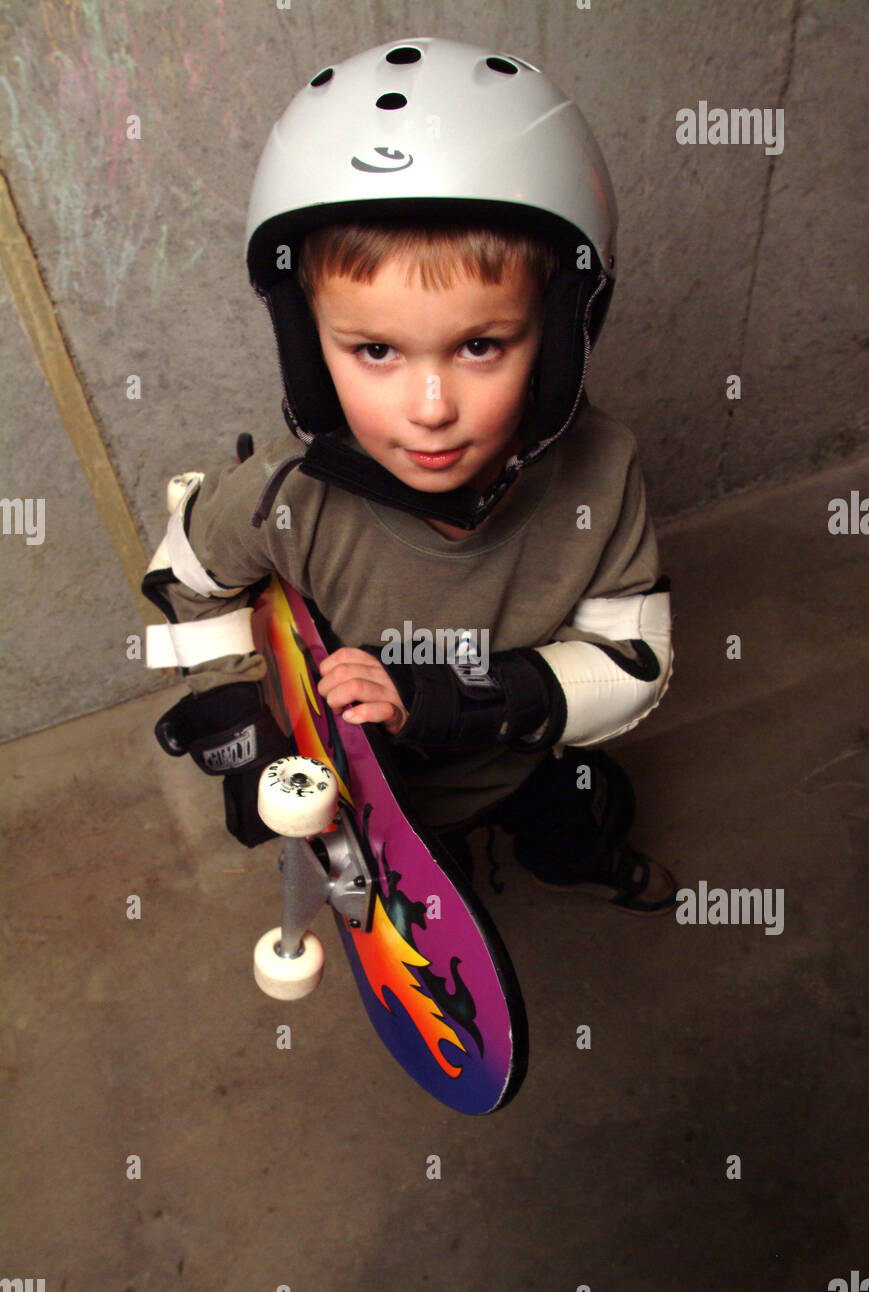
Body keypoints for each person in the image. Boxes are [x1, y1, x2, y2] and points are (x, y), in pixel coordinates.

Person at [143, 36, 676, 915]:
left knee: (576, 824)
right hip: (378, 806)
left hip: (530, 750)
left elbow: (634, 661)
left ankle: (581, 857)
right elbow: (188, 573)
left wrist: (446, 699)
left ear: (560, 334)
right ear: (304, 345)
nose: (430, 408)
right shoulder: (288, 491)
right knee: (431, 914)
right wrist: (240, 715)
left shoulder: (599, 472)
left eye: (479, 345)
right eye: (375, 350)